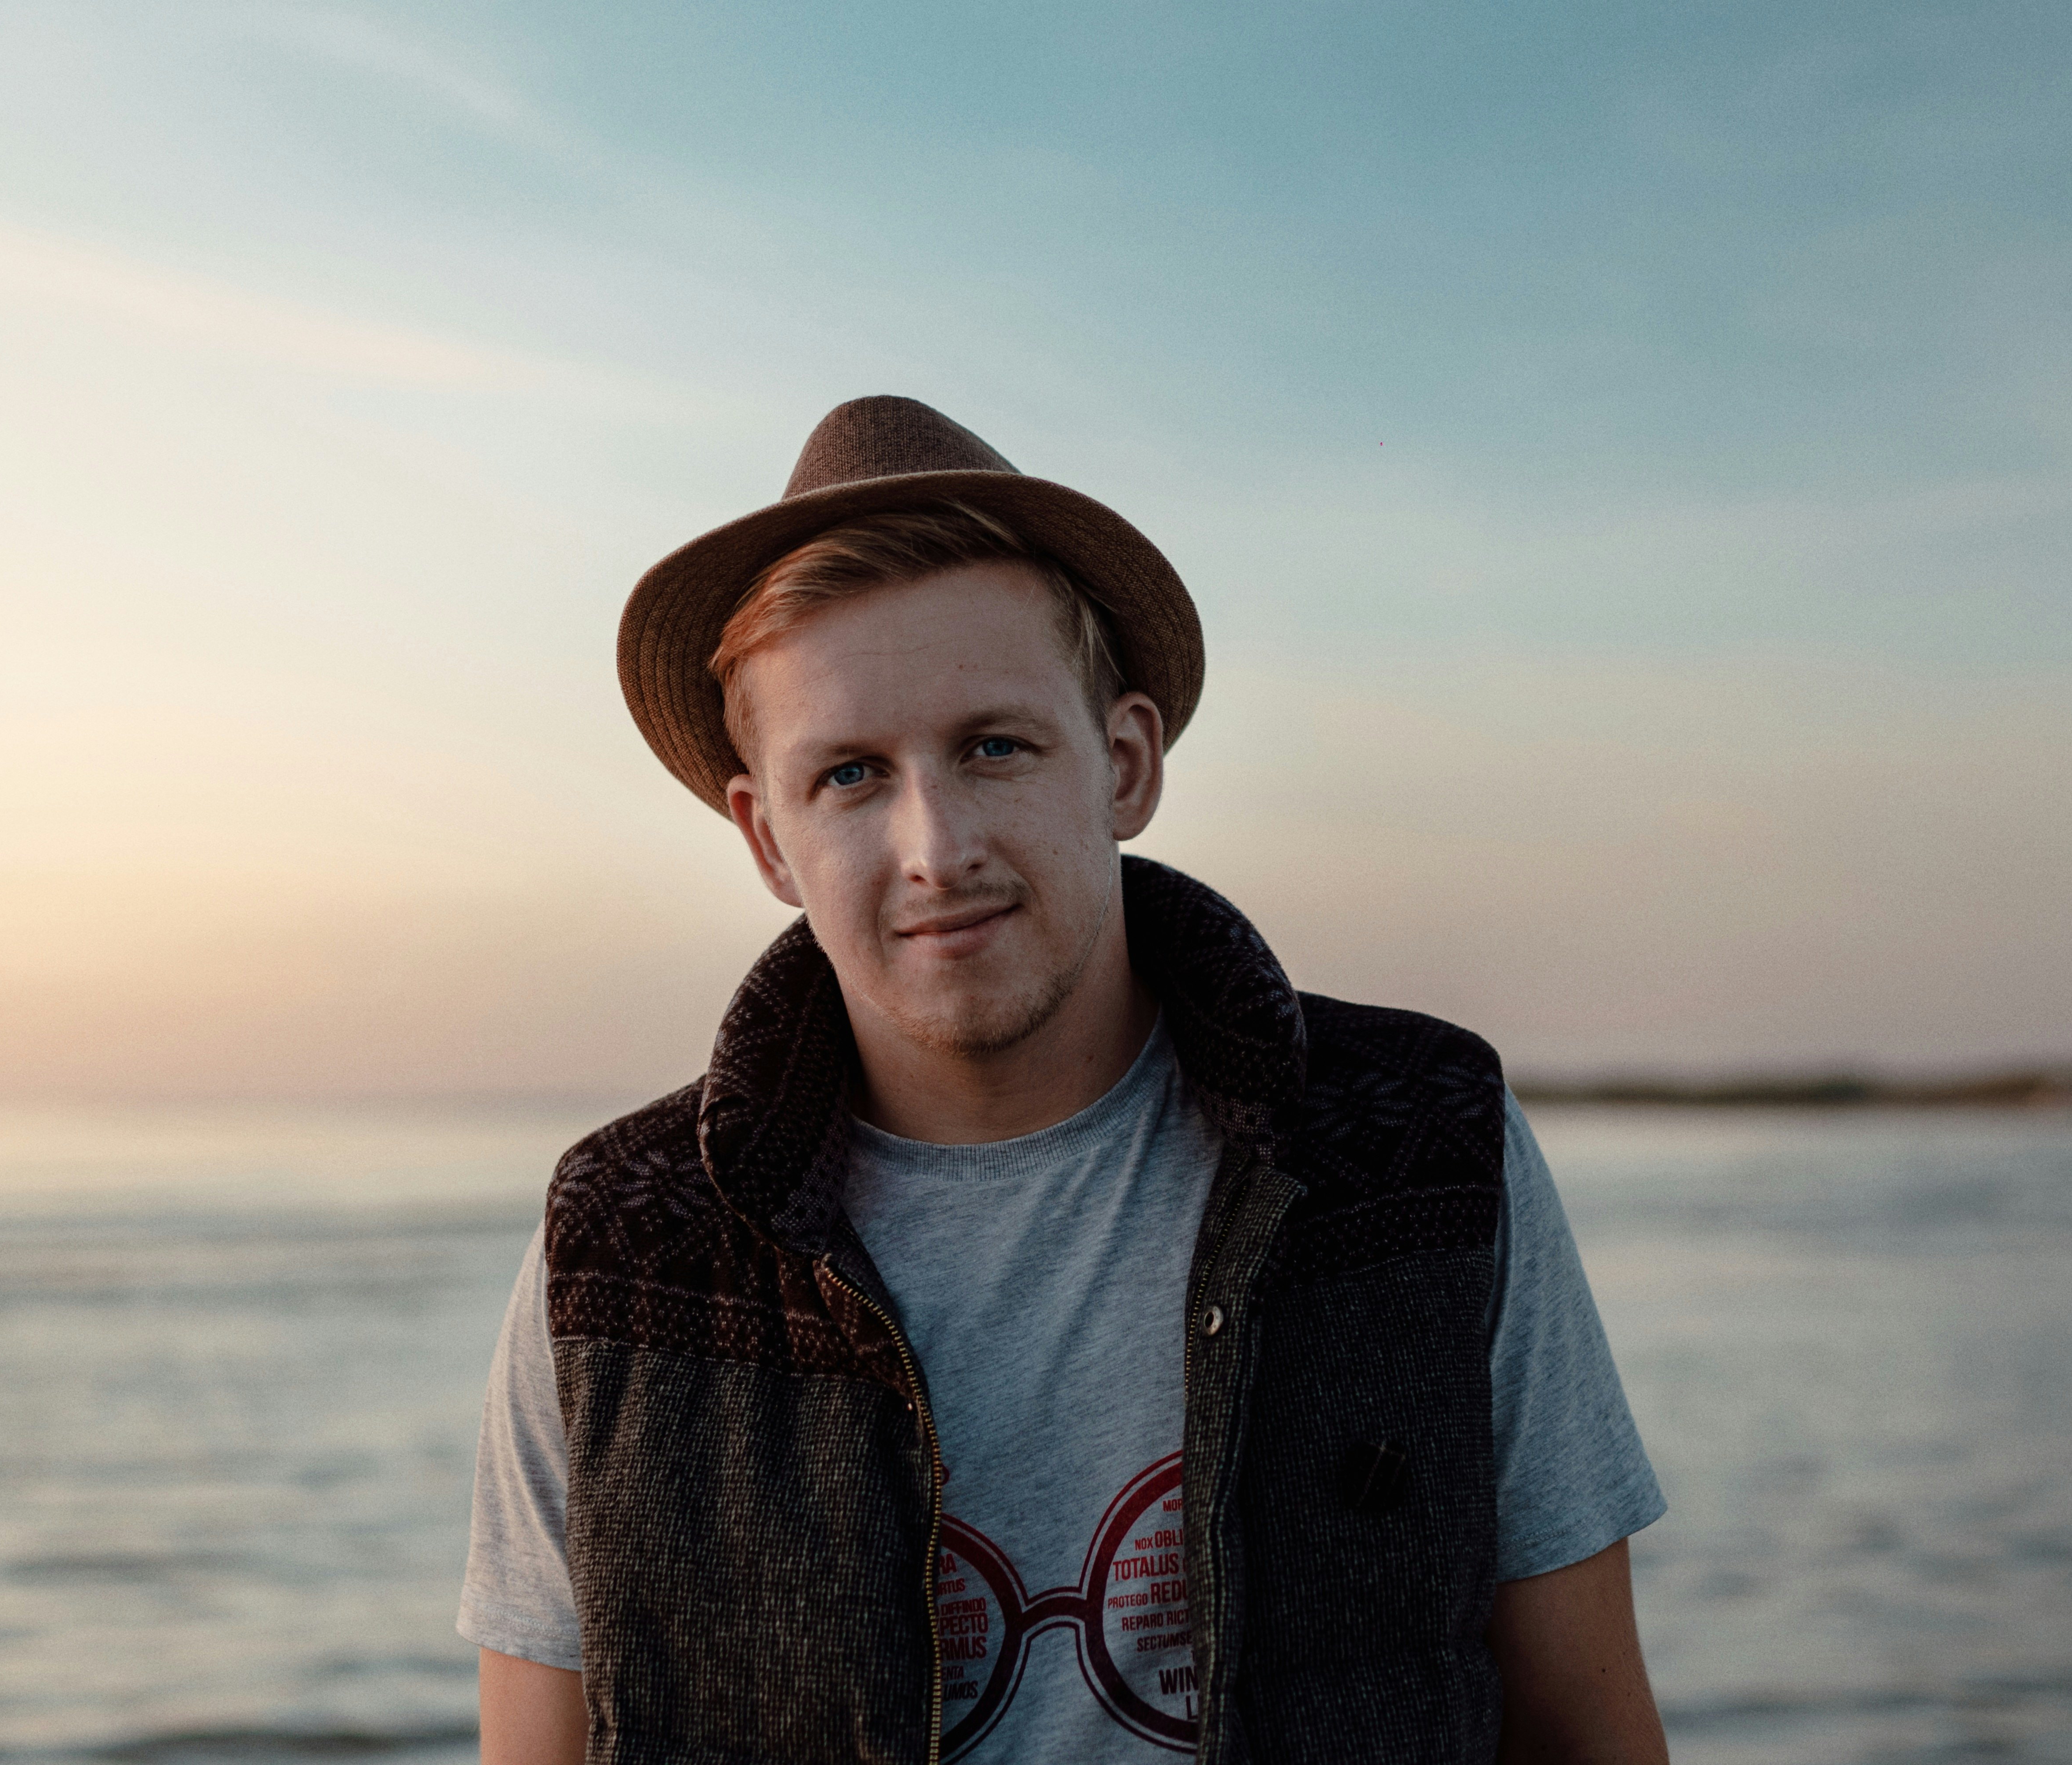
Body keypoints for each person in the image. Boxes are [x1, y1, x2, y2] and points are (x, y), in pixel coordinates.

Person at [460, 396, 1669, 1764]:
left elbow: (1589, 1728)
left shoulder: (1422, 1150)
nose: (936, 846)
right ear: (768, 840)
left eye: (994, 745)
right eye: (851, 775)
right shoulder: (623, 1249)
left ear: (1126, 762)